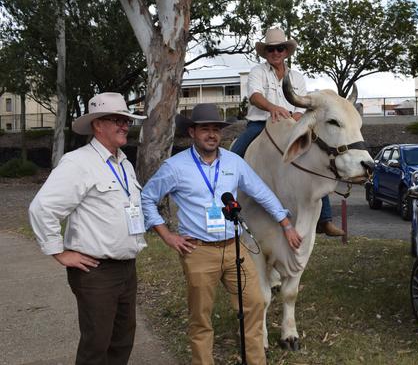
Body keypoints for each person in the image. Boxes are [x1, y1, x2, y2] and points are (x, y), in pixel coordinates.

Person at [141, 103, 302, 365]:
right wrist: (167, 235)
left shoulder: (233, 162)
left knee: (255, 304)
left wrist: (286, 224)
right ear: (192, 132)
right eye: (205, 129)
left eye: (216, 129)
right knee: (201, 317)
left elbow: (261, 193)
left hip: (234, 248)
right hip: (198, 250)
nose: (212, 134)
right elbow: (147, 199)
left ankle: (255, 360)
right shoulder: (175, 167)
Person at [28, 92, 147, 365]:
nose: (124, 125)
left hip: (126, 268)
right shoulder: (78, 163)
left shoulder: (124, 163)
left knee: (122, 340)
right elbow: (42, 208)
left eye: (126, 120)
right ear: (97, 125)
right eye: (117, 120)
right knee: (97, 345)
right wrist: (59, 252)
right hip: (96, 272)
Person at [230, 27, 344, 237]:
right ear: (266, 52)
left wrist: (298, 117)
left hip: (290, 125)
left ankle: (325, 220)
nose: (276, 52)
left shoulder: (297, 77)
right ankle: (224, 202)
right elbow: (254, 95)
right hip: (261, 124)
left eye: (280, 48)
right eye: (271, 49)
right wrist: (272, 108)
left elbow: (302, 105)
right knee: (232, 157)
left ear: (285, 51)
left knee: (315, 157)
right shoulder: (258, 72)